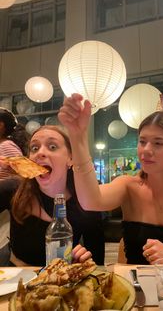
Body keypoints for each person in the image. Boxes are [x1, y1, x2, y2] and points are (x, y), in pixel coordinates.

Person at [58, 93, 163, 265]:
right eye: (142, 141)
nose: (146, 150)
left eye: (158, 143)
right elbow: (90, 201)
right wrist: (77, 136)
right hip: (134, 290)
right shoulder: (128, 186)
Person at [0, 125, 105, 266]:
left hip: (63, 279)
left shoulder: (86, 201)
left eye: (52, 147)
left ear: (70, 158)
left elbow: (97, 263)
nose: (40, 153)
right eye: (34, 148)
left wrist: (83, 262)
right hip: (19, 278)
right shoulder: (13, 189)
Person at [0, 108, 30, 266]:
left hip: (5, 212)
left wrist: (9, 165)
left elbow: (27, 174)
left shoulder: (6, 146)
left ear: (1, 125)